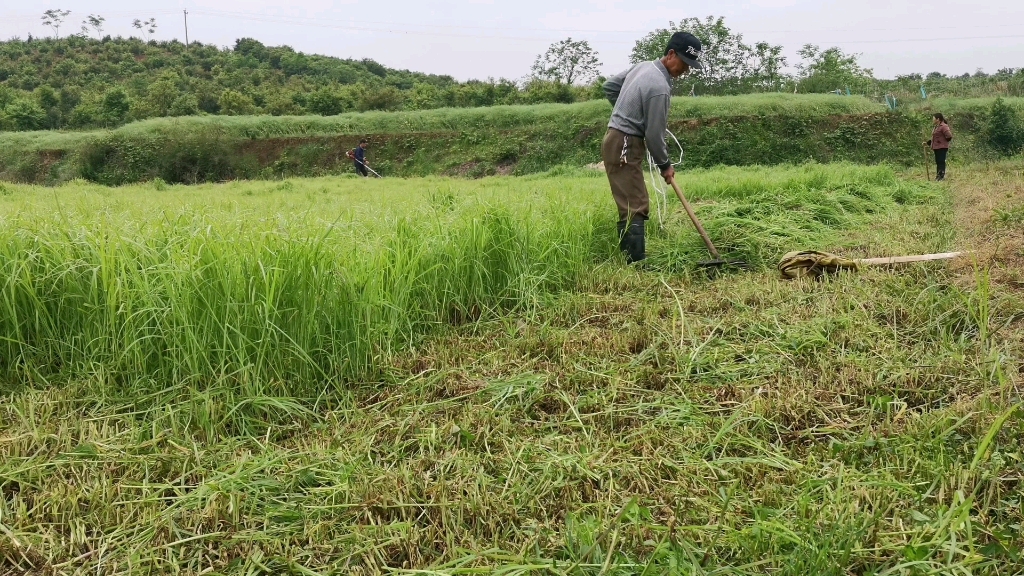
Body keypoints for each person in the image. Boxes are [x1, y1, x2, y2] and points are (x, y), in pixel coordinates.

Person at [601, 31, 702, 264]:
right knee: (635, 205)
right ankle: (635, 265)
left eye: (689, 67)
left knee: (631, 202)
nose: (685, 71)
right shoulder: (659, 87)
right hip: (625, 141)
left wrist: (628, 110)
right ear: (671, 54)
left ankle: (632, 261)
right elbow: (654, 135)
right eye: (684, 64)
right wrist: (665, 166)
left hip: (618, 139)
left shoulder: (643, 67)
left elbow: (610, 86)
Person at [924, 113, 953, 181]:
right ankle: (938, 176)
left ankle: (941, 176)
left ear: (938, 119)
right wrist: (928, 143)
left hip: (942, 147)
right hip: (936, 147)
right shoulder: (936, 126)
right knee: (938, 161)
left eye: (934, 118)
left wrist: (943, 143)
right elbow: (935, 138)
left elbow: (949, 136)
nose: (932, 120)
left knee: (941, 161)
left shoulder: (944, 126)